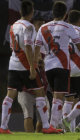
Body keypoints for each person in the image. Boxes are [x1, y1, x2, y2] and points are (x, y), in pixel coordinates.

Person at [0, 0, 60, 134]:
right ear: (31, 12)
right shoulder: (29, 26)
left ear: (21, 11)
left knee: (10, 96)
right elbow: (27, 46)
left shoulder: (14, 25)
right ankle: (46, 126)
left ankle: (3, 127)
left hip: (13, 64)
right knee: (40, 93)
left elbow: (13, 47)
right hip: (25, 65)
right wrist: (32, 68)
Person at [34, 1, 80, 129]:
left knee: (59, 97)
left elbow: (38, 48)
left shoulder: (42, 28)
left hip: (48, 67)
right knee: (59, 98)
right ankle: (54, 126)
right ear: (65, 14)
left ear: (52, 12)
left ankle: (55, 126)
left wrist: (37, 62)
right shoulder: (68, 27)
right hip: (62, 66)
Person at [17, 17, 49, 133]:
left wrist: (43, 63)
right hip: (26, 89)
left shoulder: (45, 44)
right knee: (28, 115)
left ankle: (37, 136)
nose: (42, 27)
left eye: (43, 24)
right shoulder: (26, 43)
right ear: (33, 26)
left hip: (41, 89)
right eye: (39, 24)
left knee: (44, 118)